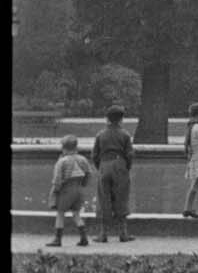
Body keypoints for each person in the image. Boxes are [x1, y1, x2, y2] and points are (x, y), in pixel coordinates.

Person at [92, 104, 134, 243]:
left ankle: (103, 234)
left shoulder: (100, 135)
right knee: (121, 197)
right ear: (121, 119)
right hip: (120, 164)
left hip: (104, 164)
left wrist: (100, 166)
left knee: (104, 198)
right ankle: (123, 233)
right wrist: (126, 167)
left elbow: (94, 155)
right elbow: (129, 154)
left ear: (107, 119)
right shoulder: (125, 134)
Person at [45, 135, 91, 248]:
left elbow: (57, 178)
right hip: (79, 188)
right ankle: (84, 237)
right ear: (76, 147)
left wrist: (56, 190)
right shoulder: (82, 159)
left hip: (66, 189)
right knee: (76, 213)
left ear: (64, 148)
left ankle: (57, 239)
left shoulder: (62, 161)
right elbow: (89, 173)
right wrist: (84, 184)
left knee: (60, 213)